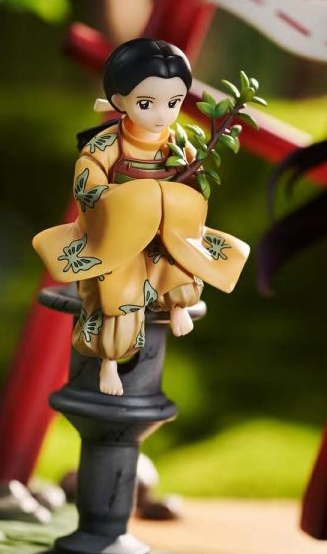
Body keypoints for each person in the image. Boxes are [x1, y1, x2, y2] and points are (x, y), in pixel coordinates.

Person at [33, 38, 249, 396]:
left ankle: (178, 305)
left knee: (180, 261)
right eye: (146, 104)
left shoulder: (180, 144)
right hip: (119, 236)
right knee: (118, 292)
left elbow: (196, 189)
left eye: (173, 103)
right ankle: (109, 362)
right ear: (120, 101)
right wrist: (134, 201)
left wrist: (171, 200)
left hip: (164, 232)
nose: (162, 114)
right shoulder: (105, 145)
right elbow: (89, 189)